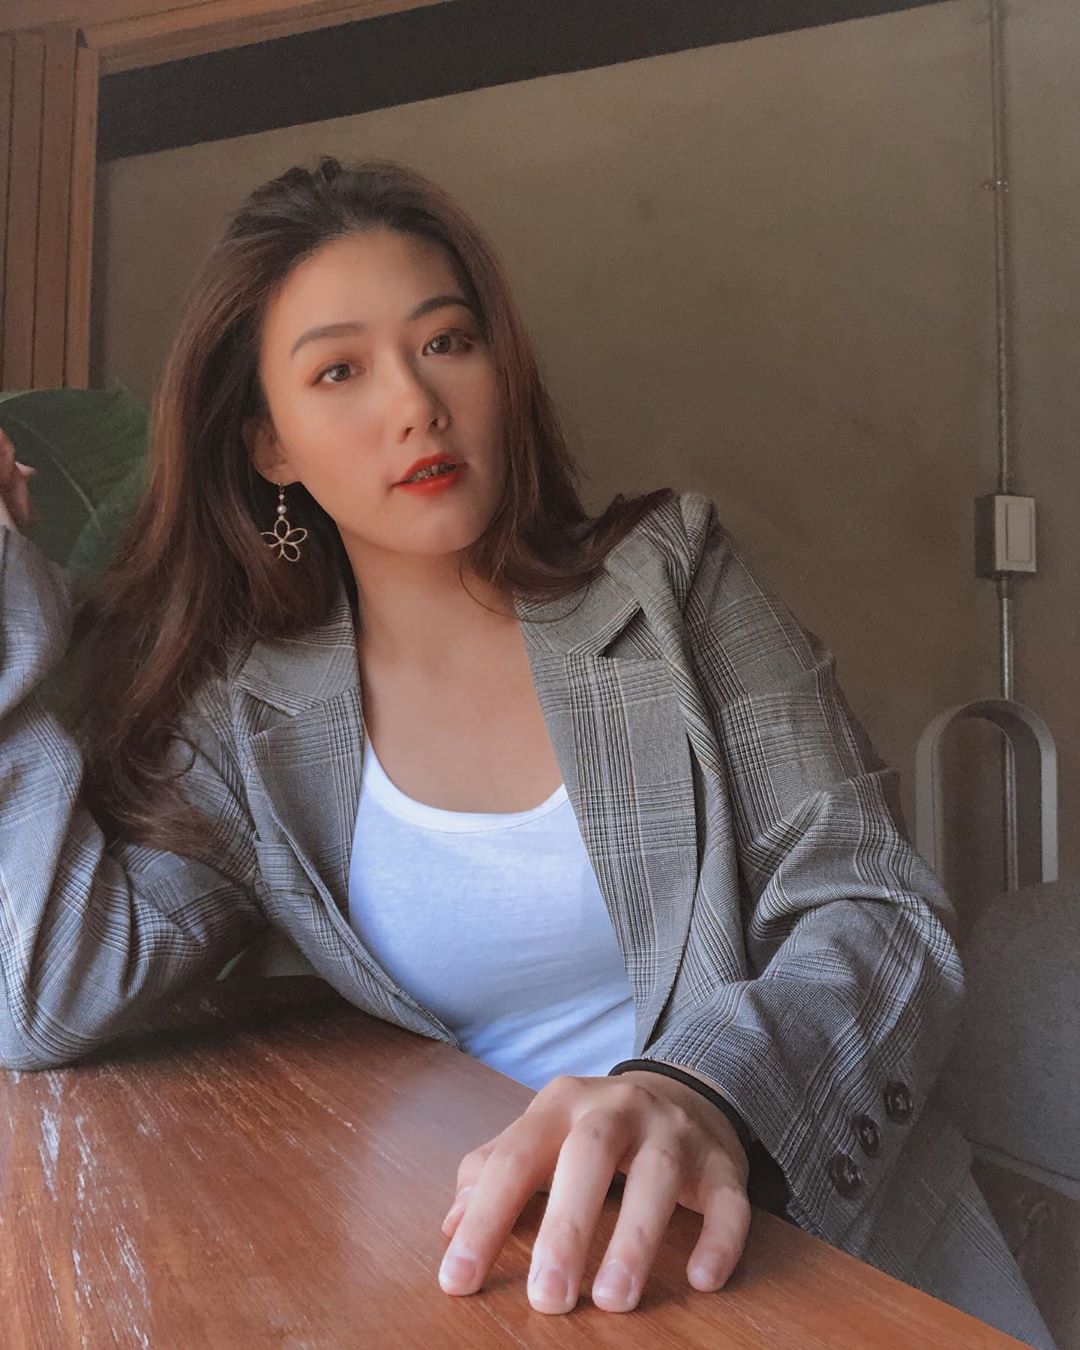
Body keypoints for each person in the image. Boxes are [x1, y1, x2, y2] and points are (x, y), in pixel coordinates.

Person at [0, 156, 1054, 1348]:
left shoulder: (672, 583)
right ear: (269, 447)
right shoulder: (248, 721)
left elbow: (876, 906)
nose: (416, 403)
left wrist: (699, 1092)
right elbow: (44, 992)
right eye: (340, 370)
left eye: (446, 343)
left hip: (827, 1253)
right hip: (529, 1285)